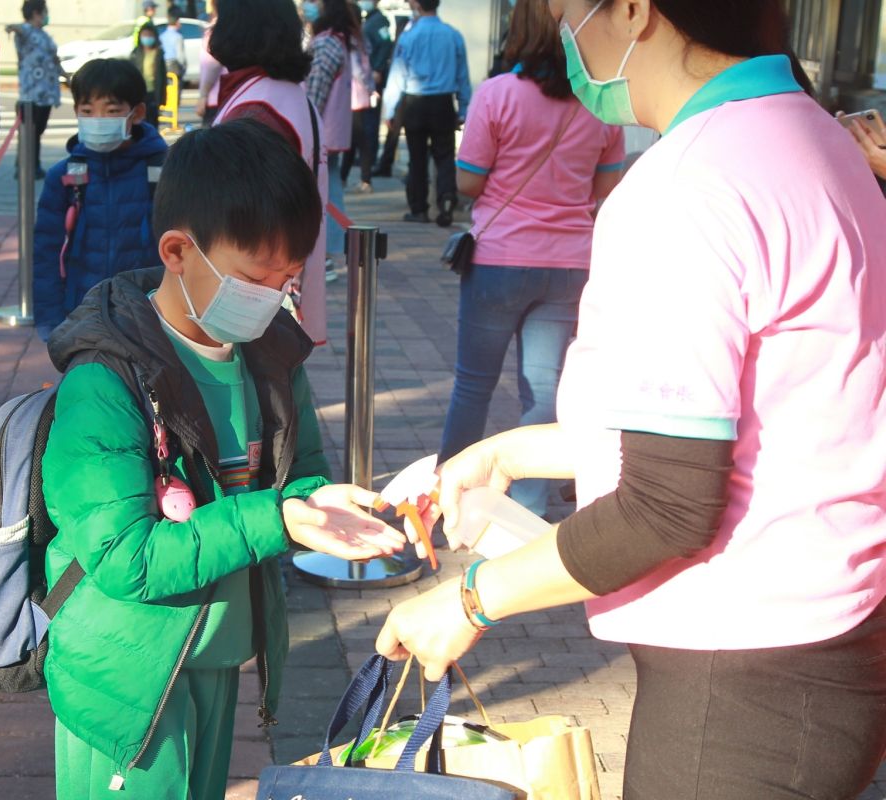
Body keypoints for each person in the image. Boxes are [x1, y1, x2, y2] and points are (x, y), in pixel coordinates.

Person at [376, 1, 886, 797]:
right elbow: (736, 423)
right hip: (827, 638)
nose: (559, 28)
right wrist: (512, 449)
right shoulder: (814, 136)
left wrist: (471, 600)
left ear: (633, 11)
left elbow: (666, 504)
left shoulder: (688, 185)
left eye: (564, 9)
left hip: (740, 678)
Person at [42, 118, 405, 799]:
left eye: (288, 279)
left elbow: (302, 474)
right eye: (254, 278)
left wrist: (323, 501)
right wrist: (280, 513)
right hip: (126, 673)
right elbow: (130, 559)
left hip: (211, 653)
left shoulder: (267, 352)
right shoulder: (104, 383)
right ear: (178, 251)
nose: (274, 298)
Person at [438, 0, 623, 517]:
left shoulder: (496, 95)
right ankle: (529, 501)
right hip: (570, 262)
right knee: (544, 391)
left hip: (499, 259)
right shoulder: (600, 104)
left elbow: (468, 181)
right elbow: (606, 184)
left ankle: (449, 489)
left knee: (473, 383)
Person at [210, 0, 328, 346]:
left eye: (219, 17)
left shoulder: (258, 106)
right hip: (275, 283)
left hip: (251, 294)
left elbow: (237, 212)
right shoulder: (285, 95)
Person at [33, 58, 166, 341]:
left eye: (112, 110)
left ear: (138, 113)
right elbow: (46, 253)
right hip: (81, 314)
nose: (99, 120)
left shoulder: (164, 172)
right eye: (88, 111)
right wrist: (52, 323)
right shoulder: (64, 177)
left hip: (152, 316)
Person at [382, 0, 470, 226]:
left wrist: (389, 110)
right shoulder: (453, 35)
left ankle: (419, 208)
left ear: (417, 4)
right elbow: (462, 76)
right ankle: (447, 199)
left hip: (415, 102)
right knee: (445, 156)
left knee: (417, 158)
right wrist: (463, 107)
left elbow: (397, 76)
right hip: (443, 102)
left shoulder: (409, 37)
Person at [303, 0, 369, 278]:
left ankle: (325, 259)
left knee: (323, 197)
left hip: (322, 134)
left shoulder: (327, 44)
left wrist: (303, 126)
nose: (308, 6)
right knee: (330, 194)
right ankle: (329, 255)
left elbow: (314, 93)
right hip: (333, 133)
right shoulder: (342, 42)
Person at [5, 0, 62, 179]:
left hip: (47, 94)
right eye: (44, 11)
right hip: (31, 94)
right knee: (30, 132)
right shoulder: (27, 31)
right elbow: (19, 29)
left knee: (37, 132)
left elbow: (54, 59)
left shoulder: (44, 35)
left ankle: (32, 164)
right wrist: (12, 27)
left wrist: (66, 76)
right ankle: (26, 167)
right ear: (36, 13)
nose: (47, 15)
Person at [343, 0, 389, 193]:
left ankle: (360, 178)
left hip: (355, 95)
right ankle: (357, 177)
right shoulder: (361, 37)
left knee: (358, 138)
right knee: (358, 139)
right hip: (361, 95)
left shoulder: (354, 39)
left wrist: (369, 85)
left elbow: (359, 69)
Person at [195, 0, 224, 126]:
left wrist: (203, 96)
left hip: (214, 99)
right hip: (234, 96)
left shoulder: (215, 31)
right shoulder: (241, 29)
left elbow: (211, 64)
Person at [130, 19, 167, 120]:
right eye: (144, 35)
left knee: (152, 120)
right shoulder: (135, 53)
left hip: (153, 93)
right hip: (139, 93)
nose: (147, 38)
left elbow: (162, 77)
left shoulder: (158, 53)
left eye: (150, 35)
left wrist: (162, 98)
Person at [160, 6, 186, 82]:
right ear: (177, 22)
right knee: (175, 91)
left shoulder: (162, 36)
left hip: (163, 67)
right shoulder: (178, 37)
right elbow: (180, 56)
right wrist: (183, 68)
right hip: (174, 67)